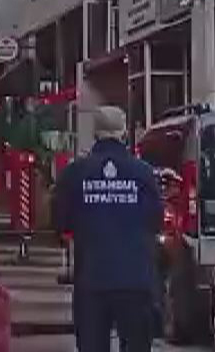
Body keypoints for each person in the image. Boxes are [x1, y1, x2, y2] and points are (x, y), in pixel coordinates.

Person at [52, 106, 162, 352]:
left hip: (92, 281)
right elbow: (156, 220)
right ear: (123, 133)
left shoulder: (75, 173)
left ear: (95, 133)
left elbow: (60, 221)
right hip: (135, 281)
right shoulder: (143, 173)